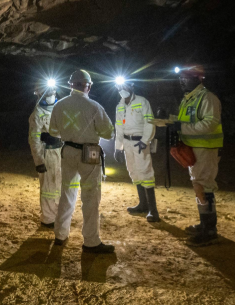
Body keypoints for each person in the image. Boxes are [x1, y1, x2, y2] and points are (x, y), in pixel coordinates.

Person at [47, 69, 116, 253]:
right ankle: (91, 241)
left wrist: (70, 132)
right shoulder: (94, 107)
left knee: (67, 193)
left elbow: (53, 131)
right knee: (90, 196)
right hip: (89, 153)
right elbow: (108, 133)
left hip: (68, 151)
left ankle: (60, 235)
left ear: (70, 85)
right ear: (89, 86)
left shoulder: (59, 105)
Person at [175, 65, 223, 246]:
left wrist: (181, 127)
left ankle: (210, 230)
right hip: (194, 148)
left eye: (185, 77)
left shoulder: (208, 98)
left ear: (198, 78)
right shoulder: (189, 98)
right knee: (199, 186)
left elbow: (210, 123)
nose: (182, 81)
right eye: (181, 78)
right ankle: (205, 224)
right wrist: (173, 122)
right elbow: (186, 122)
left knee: (205, 187)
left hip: (206, 149)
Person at [114, 80, 158, 222]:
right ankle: (143, 204)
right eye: (119, 86)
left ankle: (153, 210)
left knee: (145, 172)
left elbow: (149, 123)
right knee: (133, 172)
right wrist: (118, 148)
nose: (122, 88)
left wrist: (145, 141)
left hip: (140, 143)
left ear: (132, 86)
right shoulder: (120, 106)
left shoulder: (142, 101)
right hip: (127, 143)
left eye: (125, 85)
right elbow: (119, 128)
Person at [29, 81, 62, 228]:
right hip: (47, 153)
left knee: (60, 185)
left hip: (61, 152)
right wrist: (39, 161)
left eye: (52, 90)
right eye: (46, 91)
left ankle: (59, 215)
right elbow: (34, 139)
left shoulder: (60, 109)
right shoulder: (37, 114)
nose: (50, 93)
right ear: (39, 93)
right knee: (48, 188)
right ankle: (48, 219)